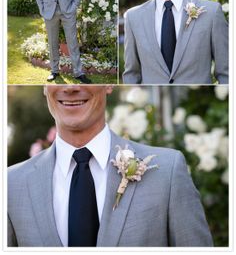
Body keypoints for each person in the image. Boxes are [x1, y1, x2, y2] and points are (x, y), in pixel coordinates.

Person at [8, 85, 213, 247]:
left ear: (108, 84)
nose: (69, 88)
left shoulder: (167, 172)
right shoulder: (10, 185)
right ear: (45, 87)